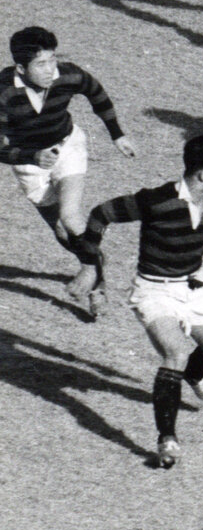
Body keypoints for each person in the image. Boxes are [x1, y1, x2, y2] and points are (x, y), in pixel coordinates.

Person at [79, 132, 203, 470]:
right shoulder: (156, 201)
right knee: (176, 352)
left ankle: (194, 374)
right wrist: (90, 267)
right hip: (154, 291)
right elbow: (100, 214)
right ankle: (167, 439)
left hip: (195, 286)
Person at [3, 26, 136, 314]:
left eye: (53, 59)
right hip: (29, 164)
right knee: (63, 233)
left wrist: (117, 134)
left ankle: (94, 279)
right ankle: (94, 260)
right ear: (21, 67)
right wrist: (30, 156)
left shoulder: (69, 75)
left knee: (70, 215)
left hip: (67, 147)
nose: (51, 69)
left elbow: (97, 94)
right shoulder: (3, 92)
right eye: (41, 64)